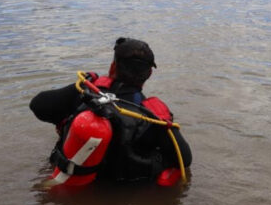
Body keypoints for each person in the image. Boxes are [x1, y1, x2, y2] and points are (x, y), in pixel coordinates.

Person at [30, 37, 192, 185]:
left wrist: (83, 86)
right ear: (149, 74)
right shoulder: (152, 117)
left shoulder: (83, 94)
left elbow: (37, 105)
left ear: (113, 66)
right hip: (116, 189)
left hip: (68, 180)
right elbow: (185, 159)